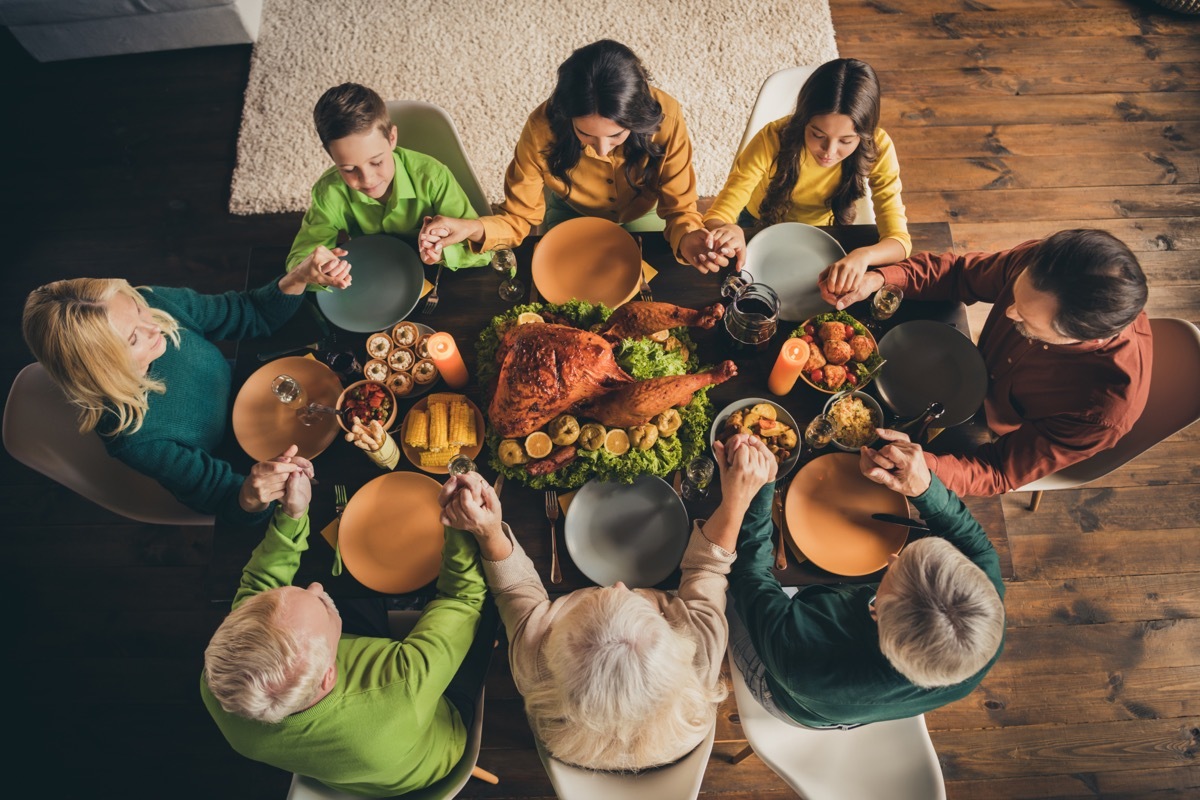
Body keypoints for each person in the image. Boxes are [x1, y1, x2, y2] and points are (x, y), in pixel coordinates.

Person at [438, 434, 777, 770]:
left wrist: (488, 530)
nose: (618, 586)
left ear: (553, 647)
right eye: (636, 602)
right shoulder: (699, 660)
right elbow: (708, 569)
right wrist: (737, 500)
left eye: (596, 601)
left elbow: (515, 591)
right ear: (677, 646)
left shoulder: (534, 664)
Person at [201, 462, 491, 796]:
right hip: (439, 745)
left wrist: (293, 516)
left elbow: (258, 592)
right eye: (321, 607)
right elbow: (463, 598)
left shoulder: (223, 679)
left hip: (353, 759)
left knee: (348, 585)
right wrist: (457, 523)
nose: (315, 587)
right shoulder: (401, 686)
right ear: (328, 674)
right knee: (491, 608)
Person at [821, 228, 1153, 496]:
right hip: (952, 366)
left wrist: (926, 468)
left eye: (1025, 320)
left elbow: (998, 470)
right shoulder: (1047, 264)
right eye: (1016, 298)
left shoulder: (1102, 411)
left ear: (1086, 338)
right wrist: (881, 279)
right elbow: (959, 274)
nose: (1007, 314)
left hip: (991, 426)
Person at [21, 255, 347, 524]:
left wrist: (298, 277)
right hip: (244, 460)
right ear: (101, 367)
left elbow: (250, 312)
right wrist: (252, 493)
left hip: (264, 398)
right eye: (134, 338)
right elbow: (222, 499)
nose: (155, 326)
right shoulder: (134, 437)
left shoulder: (153, 304)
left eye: (137, 310)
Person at [727, 429, 1005, 728]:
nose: (893, 558)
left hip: (784, 690)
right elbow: (975, 545)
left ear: (875, 612)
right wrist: (924, 487)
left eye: (893, 575)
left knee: (727, 590)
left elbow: (751, 578)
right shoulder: (984, 610)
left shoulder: (806, 661)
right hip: (859, 693)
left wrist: (760, 489)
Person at [417, 39, 728, 273]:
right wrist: (469, 228)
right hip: (571, 212)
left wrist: (689, 238)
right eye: (586, 134)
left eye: (617, 135)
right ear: (567, 119)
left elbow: (679, 211)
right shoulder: (540, 129)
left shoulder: (667, 116)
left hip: (643, 211)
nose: (601, 149)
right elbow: (519, 219)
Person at [701, 58, 910, 280]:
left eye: (846, 141)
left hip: (826, 229)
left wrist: (864, 255)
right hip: (757, 222)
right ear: (803, 121)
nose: (829, 151)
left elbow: (899, 241)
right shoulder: (772, 138)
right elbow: (718, 215)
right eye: (818, 135)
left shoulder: (879, 148)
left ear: (864, 135)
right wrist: (727, 229)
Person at [286, 82, 491, 276]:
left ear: (392, 138)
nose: (367, 180)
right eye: (348, 169)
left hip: (438, 272)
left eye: (376, 162)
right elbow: (299, 260)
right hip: (372, 270)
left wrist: (442, 253)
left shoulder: (433, 178)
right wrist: (316, 271)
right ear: (331, 156)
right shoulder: (329, 191)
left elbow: (485, 251)